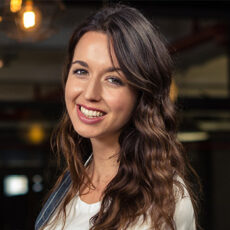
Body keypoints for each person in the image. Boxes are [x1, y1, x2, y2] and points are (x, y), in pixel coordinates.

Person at [35, 4, 199, 230]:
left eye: (113, 79)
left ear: (141, 94)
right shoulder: (75, 179)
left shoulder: (159, 200)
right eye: (81, 71)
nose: (90, 94)